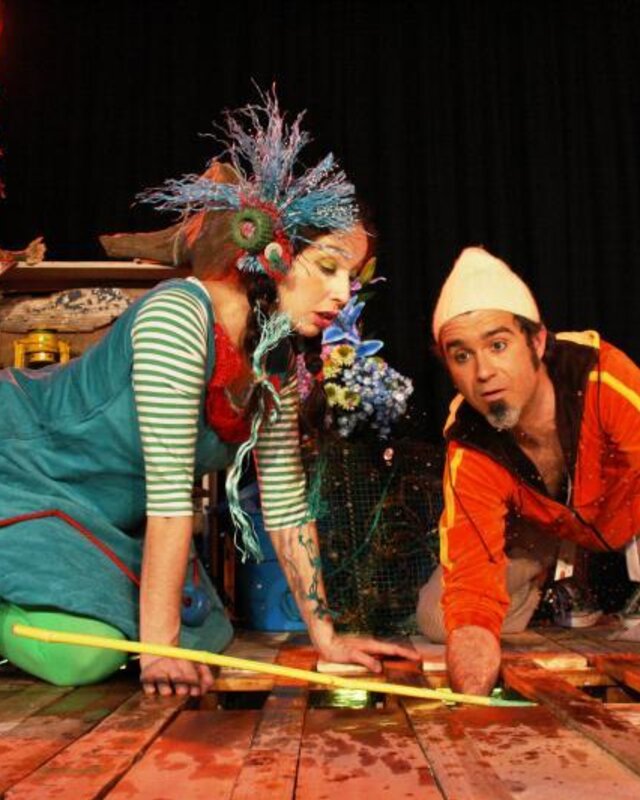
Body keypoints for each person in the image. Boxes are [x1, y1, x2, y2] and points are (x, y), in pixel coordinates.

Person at [0, 92, 418, 696]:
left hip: (104, 517)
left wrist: (328, 639)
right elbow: (172, 497)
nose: (342, 293)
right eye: (328, 267)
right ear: (274, 253)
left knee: (205, 634)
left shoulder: (273, 360)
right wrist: (158, 651)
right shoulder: (178, 316)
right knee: (87, 656)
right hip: (20, 469)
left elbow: (286, 509)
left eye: (352, 277)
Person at [416, 246, 640, 696]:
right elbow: (470, 587)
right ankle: (555, 588)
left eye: (498, 345)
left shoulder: (601, 377)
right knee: (438, 618)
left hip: (626, 511)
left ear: (537, 342)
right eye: (462, 356)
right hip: (547, 531)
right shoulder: (470, 443)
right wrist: (473, 716)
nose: (483, 372)